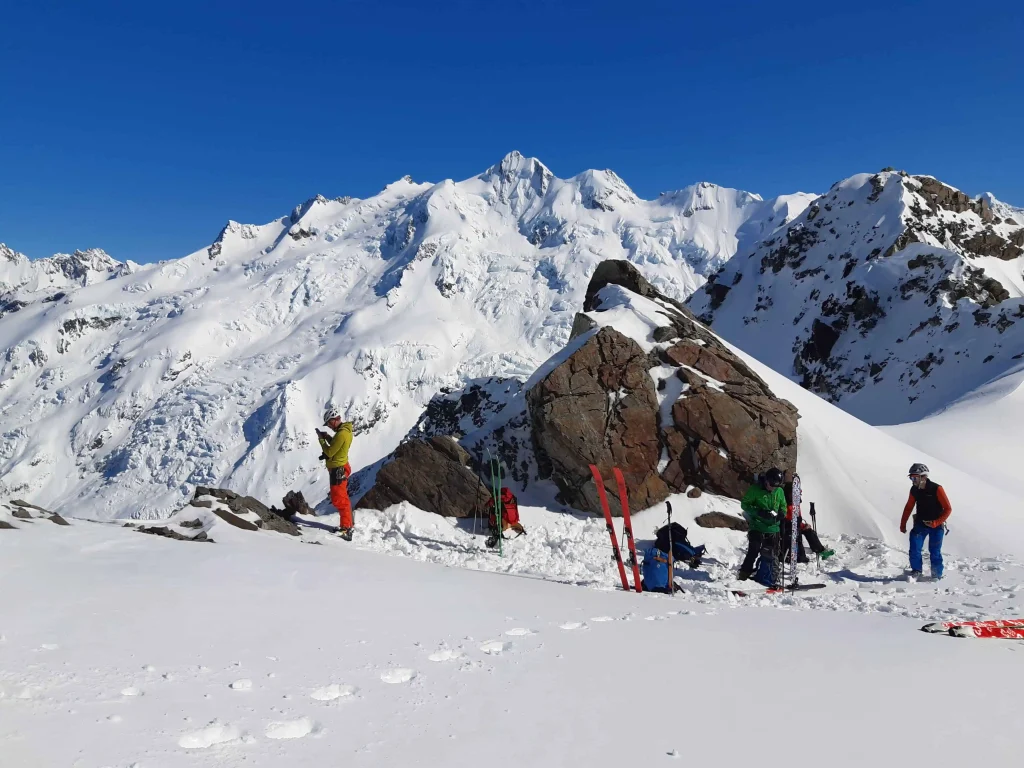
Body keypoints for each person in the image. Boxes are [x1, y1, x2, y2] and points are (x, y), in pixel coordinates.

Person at [900, 463, 951, 579]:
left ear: (923, 476)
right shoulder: (914, 490)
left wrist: (936, 523)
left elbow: (948, 509)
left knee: (935, 551)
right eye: (911, 478)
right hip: (920, 524)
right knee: (914, 548)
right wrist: (903, 524)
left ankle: (936, 575)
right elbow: (909, 507)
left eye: (914, 477)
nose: (912, 480)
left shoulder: (937, 488)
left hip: (936, 525)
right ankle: (916, 571)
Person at [738, 467, 787, 586]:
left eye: (776, 486)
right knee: (753, 550)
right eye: (771, 485)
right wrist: (758, 512)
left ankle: (769, 576)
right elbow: (744, 504)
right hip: (757, 526)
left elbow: (783, 506)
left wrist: (781, 514)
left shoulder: (779, 491)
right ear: (766, 480)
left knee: (772, 554)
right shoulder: (755, 489)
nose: (773, 488)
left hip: (773, 528)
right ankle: (743, 575)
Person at [317, 406, 354, 540]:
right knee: (341, 497)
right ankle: (347, 525)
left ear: (333, 420)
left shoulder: (342, 433)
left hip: (338, 469)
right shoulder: (343, 432)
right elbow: (337, 446)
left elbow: (330, 452)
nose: (328, 426)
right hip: (339, 467)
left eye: (328, 423)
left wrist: (321, 440)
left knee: (339, 499)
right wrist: (327, 437)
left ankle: (346, 529)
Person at [781, 474, 835, 564]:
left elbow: (798, 518)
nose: (795, 496)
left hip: (796, 525)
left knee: (809, 531)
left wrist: (803, 525)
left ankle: (820, 550)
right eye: (793, 494)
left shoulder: (795, 503)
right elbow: (784, 518)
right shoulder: (784, 503)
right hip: (787, 528)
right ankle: (799, 556)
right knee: (797, 537)